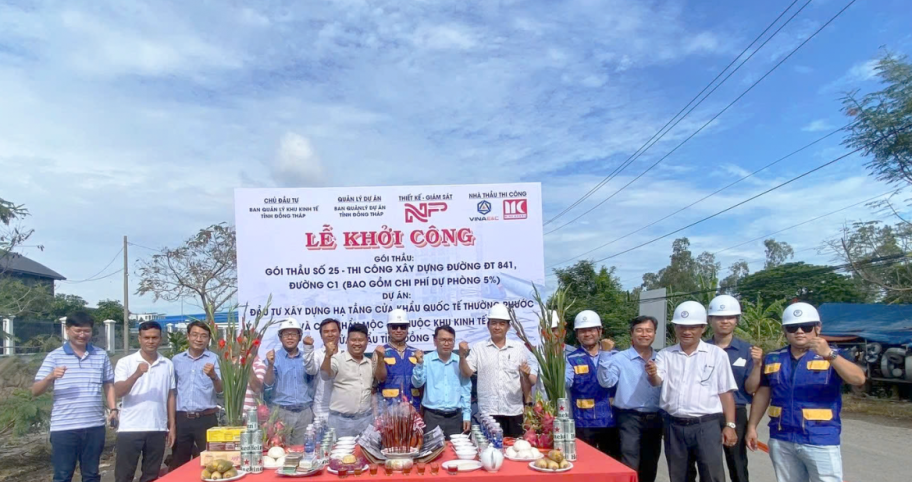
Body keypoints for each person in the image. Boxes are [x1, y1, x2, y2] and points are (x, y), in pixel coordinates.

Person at [746, 302, 866, 482]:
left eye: (806, 326)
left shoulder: (835, 355)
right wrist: (752, 427)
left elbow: (858, 379)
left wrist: (829, 354)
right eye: (792, 327)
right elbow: (763, 394)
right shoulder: (773, 358)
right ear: (784, 331)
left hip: (820, 438)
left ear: (818, 328)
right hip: (782, 438)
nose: (800, 331)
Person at [646, 301, 738, 482]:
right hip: (674, 426)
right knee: (679, 476)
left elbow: (726, 392)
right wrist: (652, 373)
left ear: (703, 328)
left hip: (706, 425)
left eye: (692, 327)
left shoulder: (717, 355)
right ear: (675, 328)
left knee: (712, 475)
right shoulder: (666, 354)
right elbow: (656, 381)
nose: (686, 331)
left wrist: (730, 425)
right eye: (681, 327)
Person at [32, 311, 117, 482]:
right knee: (63, 475)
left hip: (94, 426)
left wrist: (113, 409)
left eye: (86, 331)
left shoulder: (100, 355)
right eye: (78, 330)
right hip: (64, 428)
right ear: (67, 330)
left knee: (91, 475)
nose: (82, 335)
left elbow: (108, 384)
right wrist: (50, 377)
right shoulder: (54, 356)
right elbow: (35, 391)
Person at [687, 295, 762, 482]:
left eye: (730, 317)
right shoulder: (698, 348)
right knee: (706, 463)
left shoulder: (747, 351)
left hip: (735, 412)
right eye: (719, 317)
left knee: (737, 463)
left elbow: (750, 388)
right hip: (705, 413)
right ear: (710, 320)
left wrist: (758, 365)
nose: (725, 321)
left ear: (736, 320)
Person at [598, 316, 663, 482]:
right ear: (631, 333)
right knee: (629, 463)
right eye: (639, 330)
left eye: (649, 331)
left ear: (655, 334)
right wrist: (605, 354)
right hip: (629, 418)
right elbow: (606, 382)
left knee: (650, 464)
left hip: (655, 418)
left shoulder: (662, 358)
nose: (644, 334)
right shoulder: (620, 358)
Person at [459, 303, 537, 438]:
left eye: (501, 324)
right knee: (489, 449)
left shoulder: (519, 349)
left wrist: (528, 404)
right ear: (487, 325)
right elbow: (467, 372)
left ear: (508, 327)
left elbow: (531, 380)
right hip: (488, 413)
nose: (497, 327)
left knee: (515, 448)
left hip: (514, 411)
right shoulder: (479, 348)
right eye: (494, 323)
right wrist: (461, 356)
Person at [113, 321, 175, 482]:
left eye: (155, 337)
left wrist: (172, 426)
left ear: (160, 339)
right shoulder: (125, 362)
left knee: (151, 476)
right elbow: (118, 391)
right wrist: (136, 374)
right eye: (146, 337)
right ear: (139, 339)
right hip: (130, 428)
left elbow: (170, 395)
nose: (151, 341)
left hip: (157, 427)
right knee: (124, 475)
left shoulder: (167, 364)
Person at [564, 310, 619, 458]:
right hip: (583, 422)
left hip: (610, 421)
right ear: (577, 334)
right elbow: (566, 382)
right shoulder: (571, 358)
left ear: (600, 331)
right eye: (582, 331)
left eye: (591, 330)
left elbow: (609, 382)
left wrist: (606, 354)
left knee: (610, 464)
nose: (587, 334)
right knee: (585, 463)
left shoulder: (615, 356)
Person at [171, 321, 223, 469]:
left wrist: (213, 376)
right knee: (179, 464)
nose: (199, 339)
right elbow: (172, 391)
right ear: (188, 336)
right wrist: (171, 422)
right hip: (182, 419)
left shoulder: (215, 359)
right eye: (195, 335)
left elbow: (220, 390)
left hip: (206, 419)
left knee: (211, 464)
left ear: (208, 339)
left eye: (203, 336)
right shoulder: (176, 360)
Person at [412, 325, 470, 437]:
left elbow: (465, 389)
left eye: (450, 340)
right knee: (432, 448)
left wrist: (466, 415)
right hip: (432, 417)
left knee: (455, 448)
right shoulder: (426, 360)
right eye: (443, 340)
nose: (446, 343)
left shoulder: (460, 361)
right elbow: (417, 383)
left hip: (455, 417)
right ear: (435, 341)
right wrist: (419, 364)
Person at [264, 318, 315, 445]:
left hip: (304, 413)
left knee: (303, 451)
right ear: (280, 338)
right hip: (281, 413)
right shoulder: (274, 357)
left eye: (294, 334)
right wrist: (270, 365)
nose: (290, 337)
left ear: (300, 337)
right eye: (286, 334)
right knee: (279, 450)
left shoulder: (307, 358)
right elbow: (267, 384)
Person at [322, 323, 375, 437]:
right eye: (353, 340)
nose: (357, 343)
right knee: (338, 449)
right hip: (340, 422)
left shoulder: (370, 364)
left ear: (367, 341)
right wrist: (327, 356)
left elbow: (373, 392)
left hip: (365, 420)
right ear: (347, 341)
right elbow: (325, 375)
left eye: (360, 340)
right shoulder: (337, 359)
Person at [374, 309, 422, 410]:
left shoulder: (416, 353)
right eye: (394, 327)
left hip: (413, 409)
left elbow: (422, 385)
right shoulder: (380, 352)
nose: (399, 330)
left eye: (403, 326)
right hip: (388, 410)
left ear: (408, 329)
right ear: (388, 329)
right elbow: (379, 379)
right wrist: (381, 358)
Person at [304, 318, 342, 420]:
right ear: (321, 335)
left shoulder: (346, 355)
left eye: (333, 331)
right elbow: (310, 370)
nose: (330, 334)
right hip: (322, 409)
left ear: (339, 333)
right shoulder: (316, 354)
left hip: (343, 409)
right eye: (326, 332)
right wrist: (308, 348)